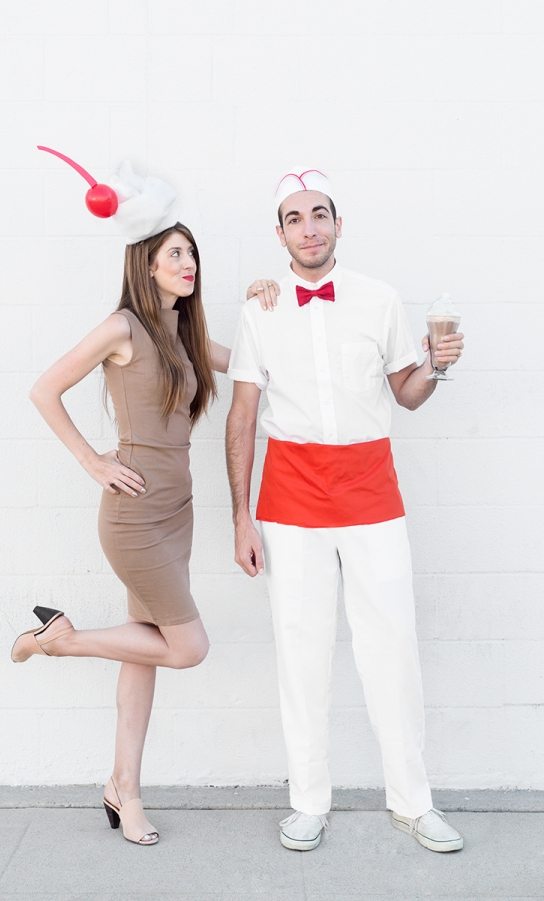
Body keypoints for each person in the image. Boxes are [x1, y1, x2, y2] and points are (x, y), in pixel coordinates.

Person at [11, 153, 266, 847]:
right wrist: (94, 460)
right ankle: (60, 640)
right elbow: (44, 388)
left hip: (175, 514)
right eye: (176, 253)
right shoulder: (123, 327)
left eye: (192, 254)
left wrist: (269, 297)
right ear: (146, 262)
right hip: (132, 513)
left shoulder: (183, 332)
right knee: (187, 647)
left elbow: (251, 358)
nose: (189, 263)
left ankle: (123, 787)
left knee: (145, 652)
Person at [226, 166, 466, 854]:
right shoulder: (258, 309)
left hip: (371, 495)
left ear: (337, 224)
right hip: (291, 500)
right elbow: (242, 418)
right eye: (296, 218)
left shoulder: (380, 299)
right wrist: (241, 517)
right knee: (300, 654)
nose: (310, 227)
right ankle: (307, 801)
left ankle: (413, 803)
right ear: (280, 233)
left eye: (320, 214)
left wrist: (436, 365)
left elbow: (408, 393)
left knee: (391, 647)